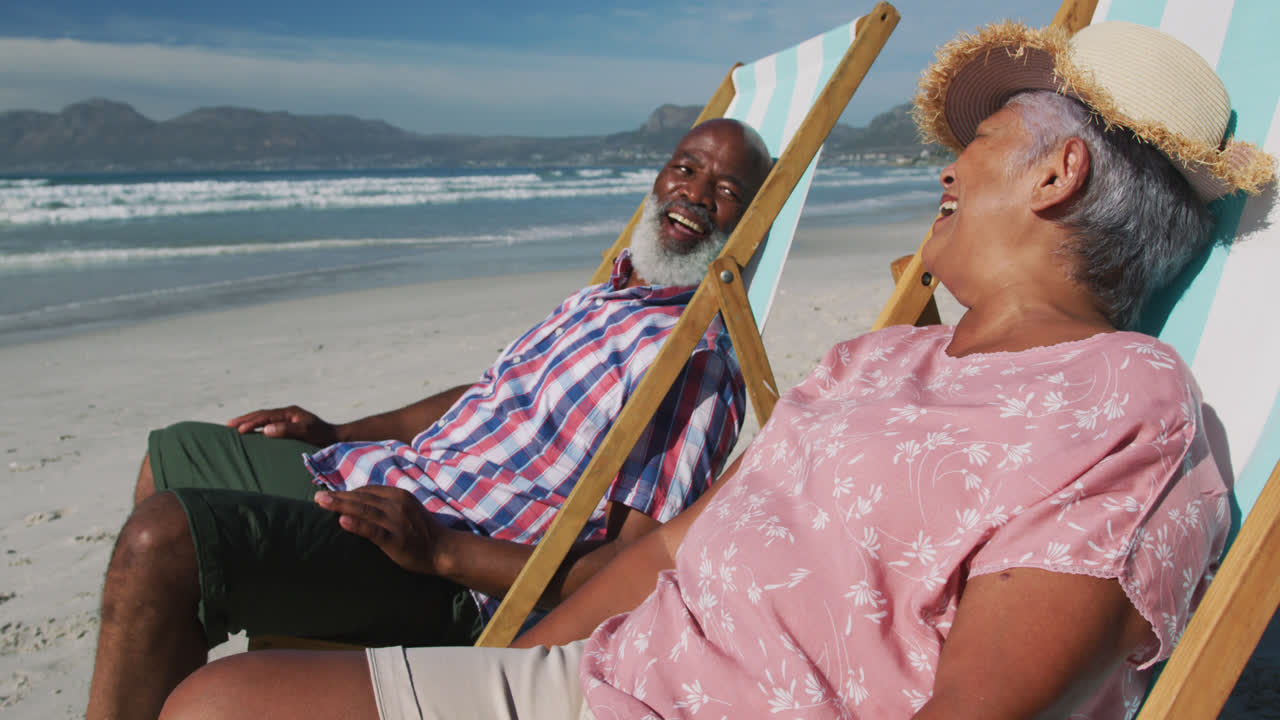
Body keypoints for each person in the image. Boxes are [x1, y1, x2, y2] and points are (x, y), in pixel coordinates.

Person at [156, 21, 1277, 720]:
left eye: (974, 148)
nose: (944, 171)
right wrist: (507, 671)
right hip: (599, 679)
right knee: (215, 705)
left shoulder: (1123, 404)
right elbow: (671, 548)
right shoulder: (875, 357)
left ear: (1056, 175)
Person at [85, 118, 775, 720]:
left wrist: (442, 552)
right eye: (686, 167)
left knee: (162, 540)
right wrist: (338, 433)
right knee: (174, 454)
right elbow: (489, 394)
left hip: (446, 573)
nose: (695, 192)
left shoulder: (696, 363)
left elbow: (630, 566)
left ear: (751, 223)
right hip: (393, 479)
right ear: (659, 176)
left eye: (726, 190)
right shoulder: (608, 297)